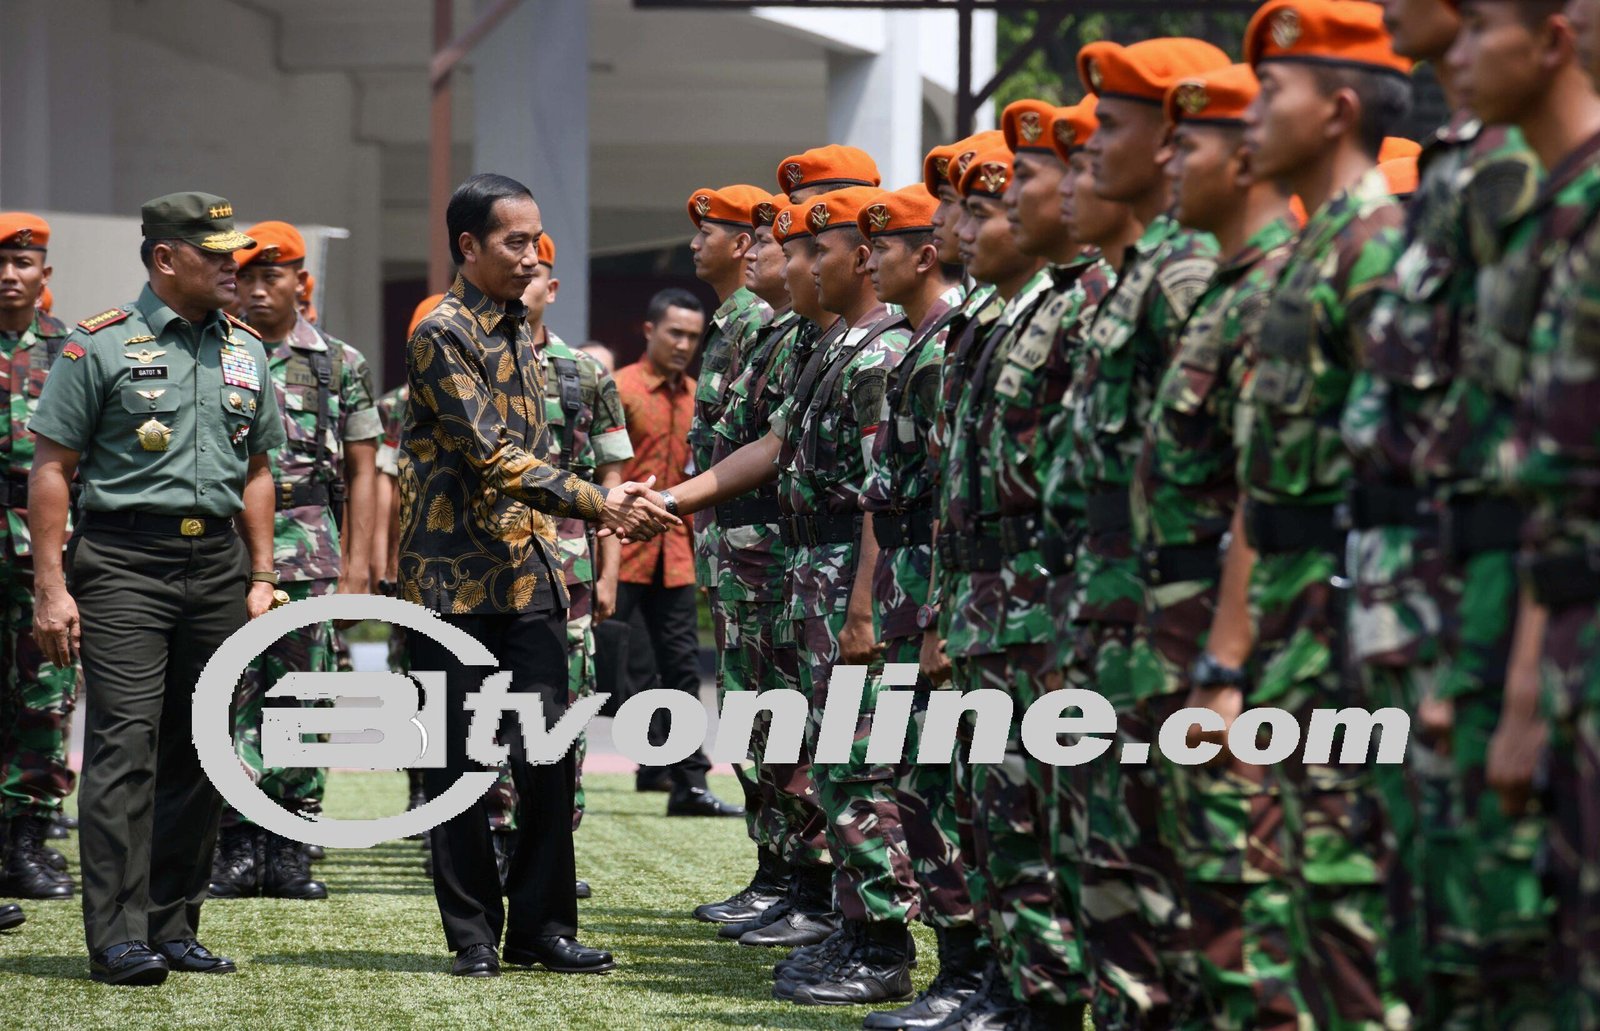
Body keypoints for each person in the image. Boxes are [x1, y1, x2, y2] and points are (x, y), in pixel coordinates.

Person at [398, 172, 676, 978]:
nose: (531, 256)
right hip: (450, 584)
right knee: (455, 763)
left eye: (535, 239)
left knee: (547, 754)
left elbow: (540, 458)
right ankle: (475, 935)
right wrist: (602, 501)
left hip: (529, 576)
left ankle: (543, 929)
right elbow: (490, 453)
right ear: (468, 246)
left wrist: (601, 505)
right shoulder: (440, 334)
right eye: (515, 241)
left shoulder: (525, 330)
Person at [1198, 3, 1412, 1024]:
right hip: (1290, 629)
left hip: (1349, 634)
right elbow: (1263, 481)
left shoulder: (1377, 252)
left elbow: (1399, 482)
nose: (1250, 121)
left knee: (1342, 918)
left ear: (1333, 110)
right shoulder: (1318, 249)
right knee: (1283, 903)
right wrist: (1232, 661)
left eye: (1269, 95)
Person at [28, 192, 285, 985]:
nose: (231, 267)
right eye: (215, 254)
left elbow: (258, 469)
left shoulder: (246, 351)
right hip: (123, 564)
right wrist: (50, 587)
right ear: (166, 258)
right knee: (124, 748)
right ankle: (117, 934)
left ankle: (173, 923)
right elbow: (52, 470)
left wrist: (264, 574)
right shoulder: (96, 347)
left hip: (217, 567)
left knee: (201, 750)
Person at [1363, 1, 1551, 1024]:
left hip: (1507, 607)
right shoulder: (1465, 166)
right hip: (1433, 595)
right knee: (1435, 918)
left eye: (1486, 25)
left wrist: (1512, 677)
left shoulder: (1537, 186)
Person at [1070, 35, 1229, 1028]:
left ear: (1176, 136)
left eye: (1113, 127)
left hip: (1178, 614)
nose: (1095, 147)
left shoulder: (1185, 275)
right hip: (1121, 606)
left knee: (1177, 877)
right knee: (1116, 865)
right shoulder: (1141, 271)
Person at [1451, 1, 1600, 1025]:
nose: (1457, 53)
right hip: (1541, 619)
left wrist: (1519, 691)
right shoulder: (1542, 208)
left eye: (1478, 28)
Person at [1146, 64, 1301, 1029]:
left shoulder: (1266, 286)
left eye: (1187, 143)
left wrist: (1225, 661)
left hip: (1236, 630)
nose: (1170, 160)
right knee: (1188, 893)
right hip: (1169, 621)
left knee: (1249, 900)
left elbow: (1260, 490)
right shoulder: (1219, 289)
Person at [207, 220, 380, 902]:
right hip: (230, 551)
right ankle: (237, 843)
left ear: (300, 281)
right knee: (231, 693)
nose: (255, 290)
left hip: (311, 547)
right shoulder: (217, 356)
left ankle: (291, 849)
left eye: (269, 276)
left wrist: (360, 565)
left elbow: (365, 470)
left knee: (306, 693)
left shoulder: (338, 362)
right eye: (244, 277)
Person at [852, 182, 982, 1029]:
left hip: (933, 592)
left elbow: (946, 496)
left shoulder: (940, 350)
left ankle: (970, 972)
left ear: (924, 254)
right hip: (907, 590)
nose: (869, 262)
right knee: (919, 781)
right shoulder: (920, 343)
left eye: (884, 247)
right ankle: (959, 968)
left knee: (947, 785)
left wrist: (934, 613)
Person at [692, 192, 807, 928]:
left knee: (780, 720)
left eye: (714, 234)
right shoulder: (747, 322)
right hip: (734, 545)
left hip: (767, 549)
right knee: (750, 717)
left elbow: (767, 446)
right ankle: (777, 869)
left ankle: (797, 878)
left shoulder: (770, 322)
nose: (697, 246)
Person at [527, 232, 633, 894]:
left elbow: (615, 478)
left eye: (535, 273)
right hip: (488, 560)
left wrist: (612, 569)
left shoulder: (583, 373)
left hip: (567, 566)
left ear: (552, 287)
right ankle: (496, 841)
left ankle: (554, 848)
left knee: (564, 702)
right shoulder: (468, 360)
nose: (524, 284)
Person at [611, 287, 738, 818]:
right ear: (649, 331)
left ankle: (689, 782)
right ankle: (646, 763)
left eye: (694, 335)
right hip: (618, 553)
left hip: (677, 555)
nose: (685, 344)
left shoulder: (699, 398)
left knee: (684, 667)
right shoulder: (618, 389)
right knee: (621, 671)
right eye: (675, 333)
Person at [0, 213, 77, 913]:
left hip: (40, 545)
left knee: (45, 692)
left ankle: (25, 840)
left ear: (43, 274)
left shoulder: (70, 350)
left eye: (23, 263)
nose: (9, 274)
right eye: (1, 262)